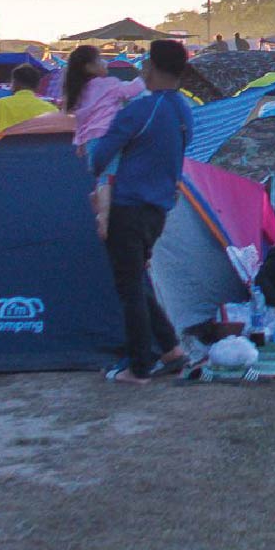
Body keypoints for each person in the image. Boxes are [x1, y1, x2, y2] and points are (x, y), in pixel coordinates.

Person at [86, 38, 196, 384]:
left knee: (129, 287)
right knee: (136, 277)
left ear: (151, 66)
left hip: (129, 206)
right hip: (159, 209)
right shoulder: (183, 110)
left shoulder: (142, 109)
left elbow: (99, 156)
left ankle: (139, 366)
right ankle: (170, 348)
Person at [61, 44, 144, 151]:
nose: (105, 62)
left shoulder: (79, 91)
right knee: (114, 166)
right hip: (110, 134)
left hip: (90, 140)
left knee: (98, 167)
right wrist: (144, 77)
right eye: (100, 59)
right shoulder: (109, 84)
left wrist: (80, 142)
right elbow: (131, 91)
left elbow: (81, 120)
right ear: (90, 67)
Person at [0, 63, 59, 140]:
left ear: (14, 84)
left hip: (5, 151)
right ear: (37, 86)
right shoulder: (50, 109)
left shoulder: (0, 104)